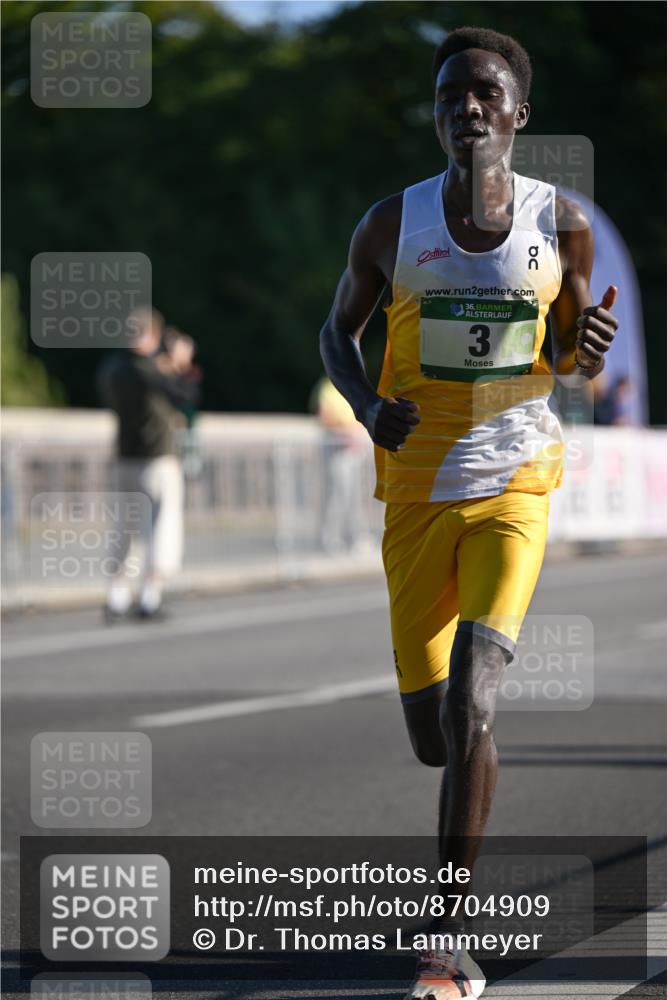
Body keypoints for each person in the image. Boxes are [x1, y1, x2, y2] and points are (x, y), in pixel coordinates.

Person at [319, 26, 618, 999]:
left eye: (485, 93)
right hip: (415, 496)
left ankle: (444, 942)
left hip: (514, 485)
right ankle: (466, 764)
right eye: (450, 94)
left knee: (473, 695)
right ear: (438, 112)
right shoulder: (388, 224)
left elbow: (572, 351)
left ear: (517, 114)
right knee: (431, 733)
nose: (466, 107)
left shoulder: (557, 222)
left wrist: (588, 340)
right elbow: (337, 332)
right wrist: (369, 407)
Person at [97, 307, 201, 620]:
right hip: (157, 459)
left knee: (123, 529)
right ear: (152, 334)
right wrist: (180, 363)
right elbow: (186, 395)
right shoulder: (151, 369)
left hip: (124, 458)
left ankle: (117, 594)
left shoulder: (113, 368)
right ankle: (149, 595)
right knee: (162, 528)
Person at [311, 375, 373, 553]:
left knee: (355, 496)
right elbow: (325, 416)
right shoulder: (328, 386)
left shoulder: (355, 383)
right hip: (339, 450)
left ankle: (355, 537)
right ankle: (331, 539)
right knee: (338, 496)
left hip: (355, 450)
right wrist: (346, 433)